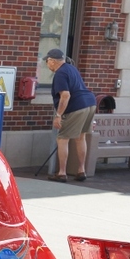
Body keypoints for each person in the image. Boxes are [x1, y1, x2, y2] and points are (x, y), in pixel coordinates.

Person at [44, 47, 97, 182]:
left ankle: (61, 173)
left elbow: (65, 95)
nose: (47, 64)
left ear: (52, 61)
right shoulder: (72, 68)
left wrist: (58, 115)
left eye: (47, 61)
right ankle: (81, 171)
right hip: (90, 103)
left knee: (62, 138)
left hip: (76, 106)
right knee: (81, 137)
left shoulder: (60, 73)